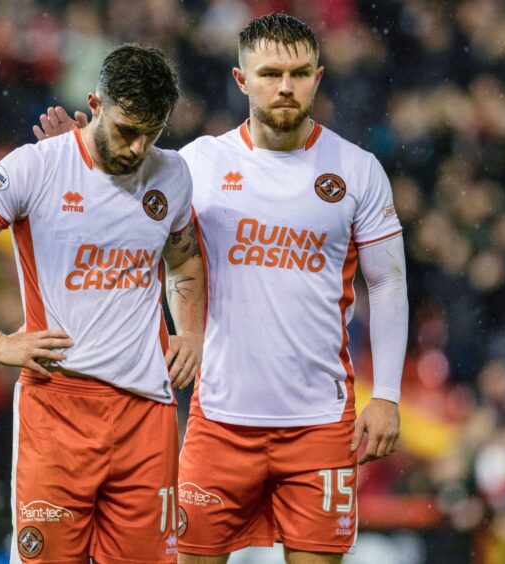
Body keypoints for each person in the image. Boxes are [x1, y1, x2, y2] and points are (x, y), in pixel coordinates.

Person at [34, 13, 408, 564]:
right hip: (220, 421)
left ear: (319, 77)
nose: (286, 86)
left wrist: (389, 396)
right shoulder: (197, 165)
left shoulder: (358, 170)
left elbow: (388, 282)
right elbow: (119, 224)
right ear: (241, 80)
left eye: (300, 72)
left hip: (321, 426)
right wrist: (85, 167)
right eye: (271, 72)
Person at [0, 45, 205, 563]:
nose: (139, 148)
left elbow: (183, 262)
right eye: (126, 129)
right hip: (57, 407)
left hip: (147, 415)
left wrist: (189, 332)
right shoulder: (37, 167)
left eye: (153, 132)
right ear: (96, 102)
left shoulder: (173, 175)